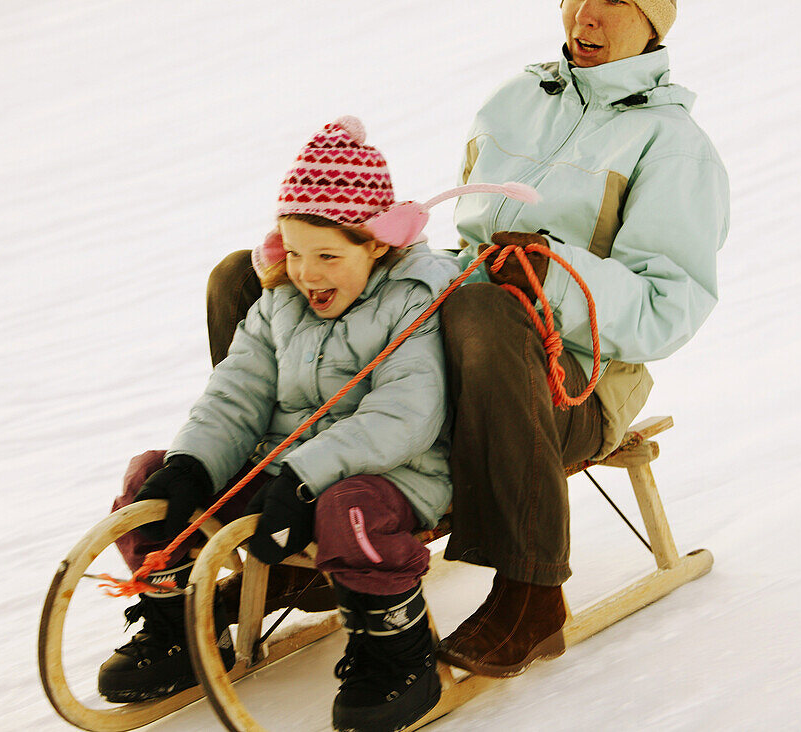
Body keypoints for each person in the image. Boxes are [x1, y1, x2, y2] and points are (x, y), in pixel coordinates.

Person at [163, 0, 728, 694]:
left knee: (484, 310)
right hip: (466, 332)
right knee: (248, 279)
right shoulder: (517, 99)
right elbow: (466, 240)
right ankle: (290, 527)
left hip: (573, 382)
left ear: (654, 20)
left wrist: (556, 277)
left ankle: (531, 588)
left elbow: (670, 308)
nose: (586, 13)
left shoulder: (672, 145)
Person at [98, 116, 533, 732]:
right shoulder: (280, 303)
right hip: (286, 469)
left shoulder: (415, 298)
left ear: (376, 244)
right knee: (154, 477)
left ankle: (394, 655)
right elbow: (236, 394)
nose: (308, 273)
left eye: (328, 255)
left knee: (346, 511)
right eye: (295, 253)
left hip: (395, 473)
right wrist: (191, 465)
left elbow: (405, 417)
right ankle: (176, 626)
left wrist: (306, 475)